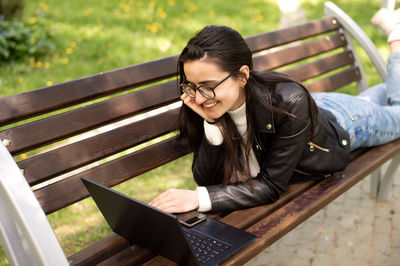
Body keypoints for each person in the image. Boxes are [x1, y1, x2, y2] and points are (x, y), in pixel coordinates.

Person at [149, 8, 400, 214]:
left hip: (349, 121)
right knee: (386, 98)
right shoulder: (203, 100)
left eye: (209, 86)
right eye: (192, 86)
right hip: (307, 116)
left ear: (242, 75)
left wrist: (198, 199)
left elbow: (270, 185)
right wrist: (213, 124)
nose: (200, 97)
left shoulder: (290, 100)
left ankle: (396, 36)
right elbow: (206, 178)